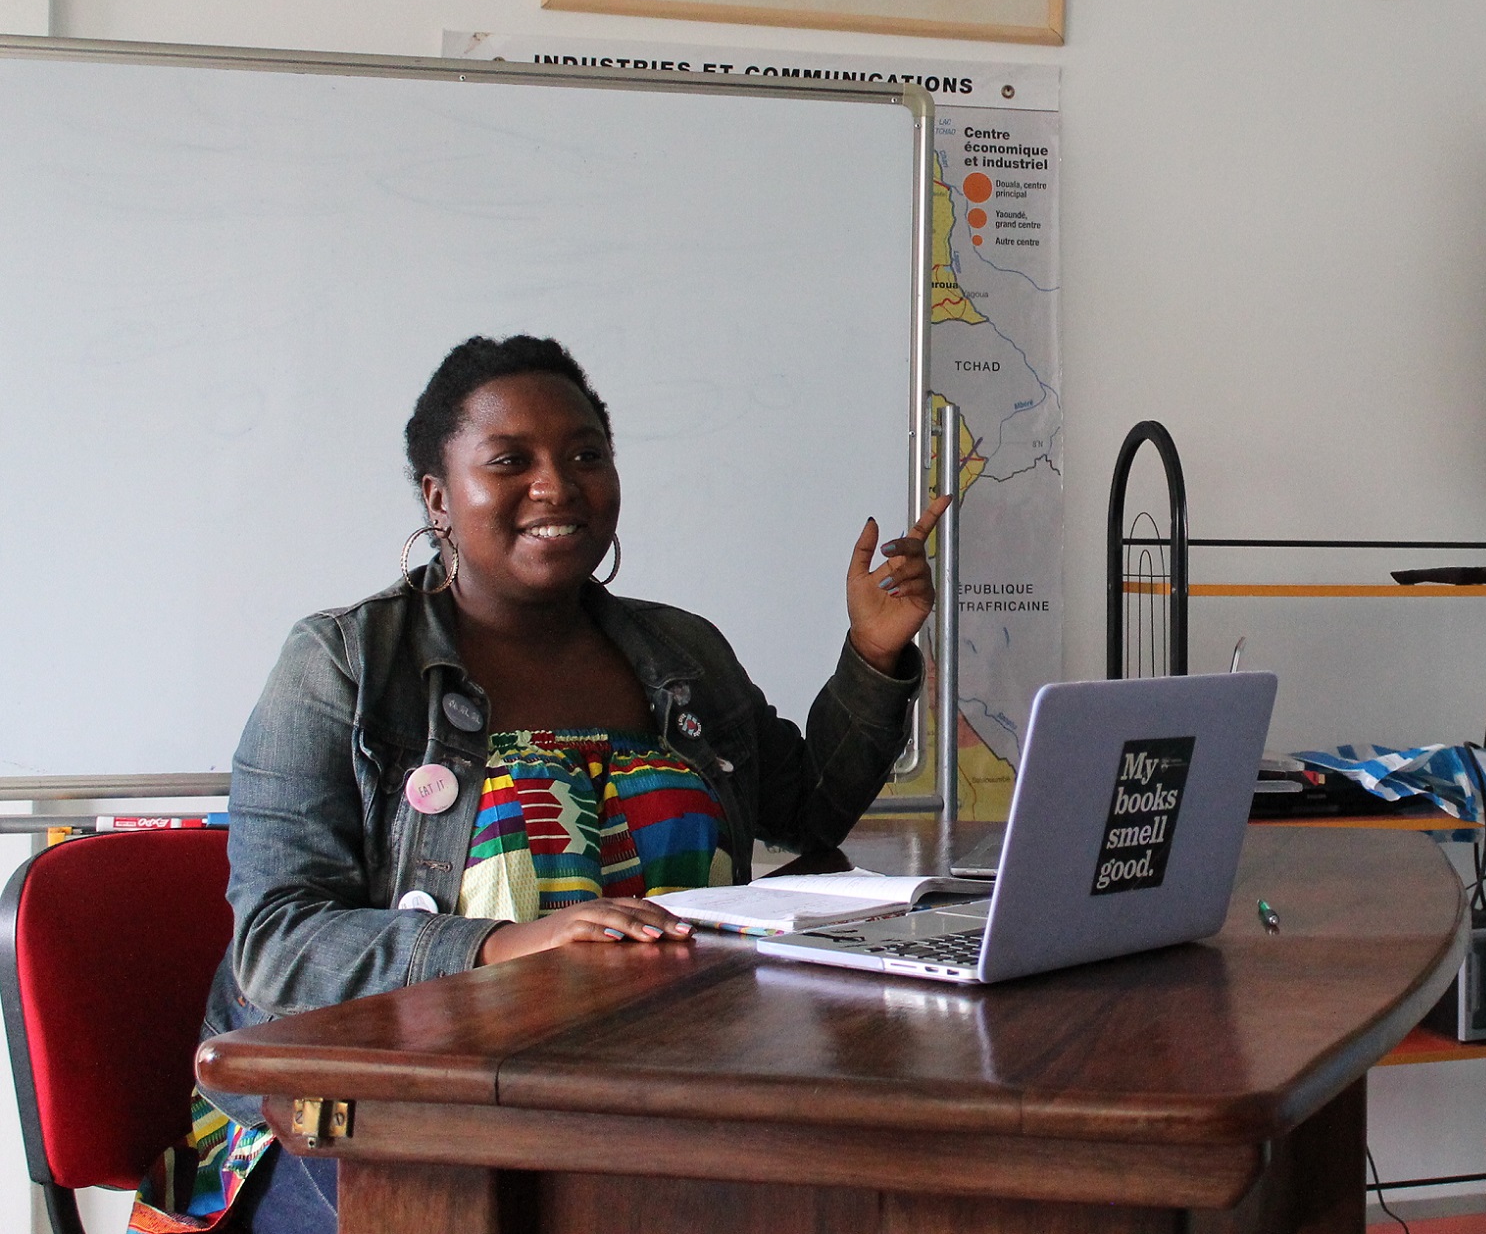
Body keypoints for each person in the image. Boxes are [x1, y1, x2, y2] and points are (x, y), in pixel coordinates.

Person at [127, 335, 949, 1234]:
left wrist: (874, 653)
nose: (558, 484)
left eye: (586, 455)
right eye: (510, 461)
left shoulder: (683, 651)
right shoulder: (344, 663)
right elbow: (279, 945)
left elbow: (804, 814)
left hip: (654, 1094)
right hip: (373, 1120)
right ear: (438, 497)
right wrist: (499, 947)